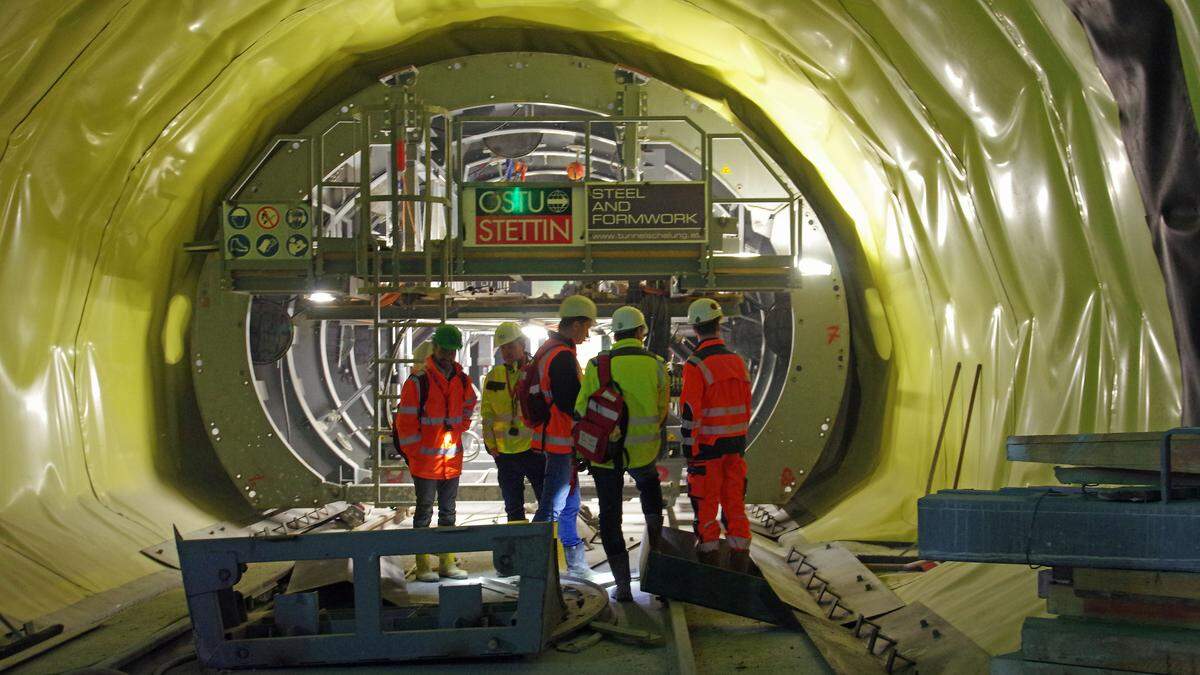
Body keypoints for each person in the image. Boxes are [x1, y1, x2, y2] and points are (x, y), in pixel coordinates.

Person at [576, 306, 669, 601]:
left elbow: (581, 411)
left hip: (606, 453)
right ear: (642, 332)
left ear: (614, 334)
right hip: (644, 451)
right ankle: (658, 570)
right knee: (651, 498)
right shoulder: (656, 365)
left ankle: (623, 586)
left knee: (610, 514)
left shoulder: (597, 365)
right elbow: (662, 409)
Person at [393, 324, 479, 582]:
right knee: (424, 511)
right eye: (445, 350)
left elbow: (469, 404)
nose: (449, 355)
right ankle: (422, 566)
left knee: (448, 512)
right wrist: (415, 454)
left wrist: (462, 426)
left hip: (450, 459)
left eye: (453, 351)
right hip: (426, 461)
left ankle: (446, 563)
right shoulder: (419, 381)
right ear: (435, 348)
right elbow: (405, 423)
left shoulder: (462, 380)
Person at [680, 299, 753, 572]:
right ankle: (740, 567)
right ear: (719, 324)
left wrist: (689, 451)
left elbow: (690, 412)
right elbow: (747, 405)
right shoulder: (737, 362)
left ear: (694, 328)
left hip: (707, 450)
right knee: (735, 504)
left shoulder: (696, 364)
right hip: (735, 446)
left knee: (706, 507)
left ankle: (710, 569)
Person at [530, 295, 597, 579]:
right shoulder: (561, 356)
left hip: (558, 441)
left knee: (568, 506)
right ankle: (534, 568)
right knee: (551, 510)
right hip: (559, 441)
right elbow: (571, 403)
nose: (587, 333)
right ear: (576, 324)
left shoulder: (551, 350)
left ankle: (575, 564)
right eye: (586, 327)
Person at [481, 322, 544, 523]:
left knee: (547, 503)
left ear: (522, 344)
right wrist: (490, 445)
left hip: (534, 450)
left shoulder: (537, 373)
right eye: (503, 348)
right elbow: (487, 413)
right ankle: (519, 550)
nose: (506, 351)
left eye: (510, 346)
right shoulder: (494, 376)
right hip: (505, 453)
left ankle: (547, 548)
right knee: (513, 509)